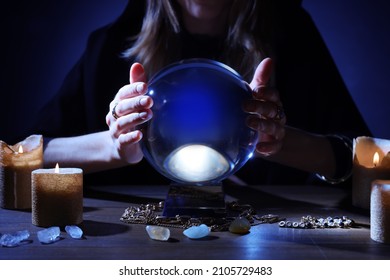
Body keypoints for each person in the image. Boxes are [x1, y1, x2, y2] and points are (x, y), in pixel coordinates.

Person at [33, 0, 370, 187]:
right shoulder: (115, 44)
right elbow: (22, 156)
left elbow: (364, 160)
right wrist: (115, 146)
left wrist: (275, 141)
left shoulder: (292, 35)